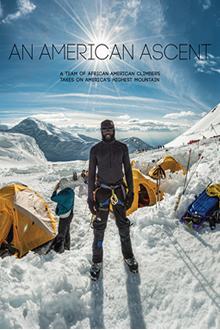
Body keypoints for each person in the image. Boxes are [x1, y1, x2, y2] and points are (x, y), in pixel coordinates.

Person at [87, 119, 138, 280]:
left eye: (110, 128)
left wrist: (131, 192)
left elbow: (128, 170)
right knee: (99, 228)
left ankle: (128, 256)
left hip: (119, 190)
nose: (107, 131)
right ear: (101, 131)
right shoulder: (95, 150)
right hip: (102, 192)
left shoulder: (122, 148)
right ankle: (96, 261)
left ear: (114, 129)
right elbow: (91, 175)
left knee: (123, 225)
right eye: (104, 129)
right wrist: (90, 198)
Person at [51, 178, 74, 253]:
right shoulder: (71, 192)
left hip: (64, 215)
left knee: (61, 233)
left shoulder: (63, 194)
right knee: (66, 232)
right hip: (70, 213)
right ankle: (66, 247)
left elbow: (53, 198)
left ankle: (59, 250)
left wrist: (55, 189)